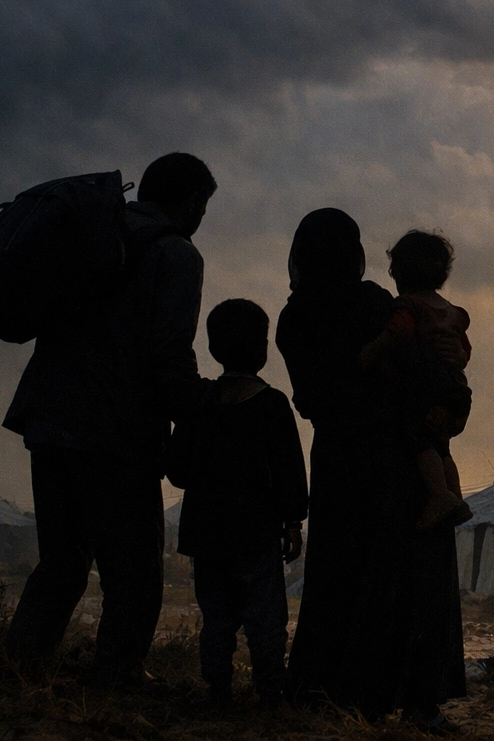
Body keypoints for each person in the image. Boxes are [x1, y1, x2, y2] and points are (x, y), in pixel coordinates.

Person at [3, 152, 216, 683]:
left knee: (61, 561)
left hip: (49, 420)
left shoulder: (90, 237)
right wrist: (201, 416)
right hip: (118, 432)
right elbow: (169, 354)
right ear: (190, 202)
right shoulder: (176, 255)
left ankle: (19, 668)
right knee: (135, 568)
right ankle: (118, 674)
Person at [277, 209, 466, 727]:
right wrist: (453, 387)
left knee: (340, 580)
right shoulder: (373, 305)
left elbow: (312, 399)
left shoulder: (294, 319)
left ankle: (334, 692)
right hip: (401, 458)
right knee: (414, 581)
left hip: (341, 464)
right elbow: (424, 374)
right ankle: (419, 702)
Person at [166, 299, 307, 706]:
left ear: (213, 349)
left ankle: (218, 689)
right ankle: (269, 690)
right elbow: (289, 473)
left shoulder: (200, 402)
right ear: (263, 349)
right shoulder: (273, 405)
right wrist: (293, 523)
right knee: (264, 618)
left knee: (217, 616)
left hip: (206, 536)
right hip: (256, 536)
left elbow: (177, 469)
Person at [360, 230, 474, 531]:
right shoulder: (451, 312)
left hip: (428, 389)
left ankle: (439, 495)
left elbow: (398, 333)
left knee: (419, 440)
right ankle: (457, 496)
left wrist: (371, 351)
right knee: (443, 446)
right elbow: (465, 350)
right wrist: (459, 361)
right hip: (458, 388)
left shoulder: (409, 306)